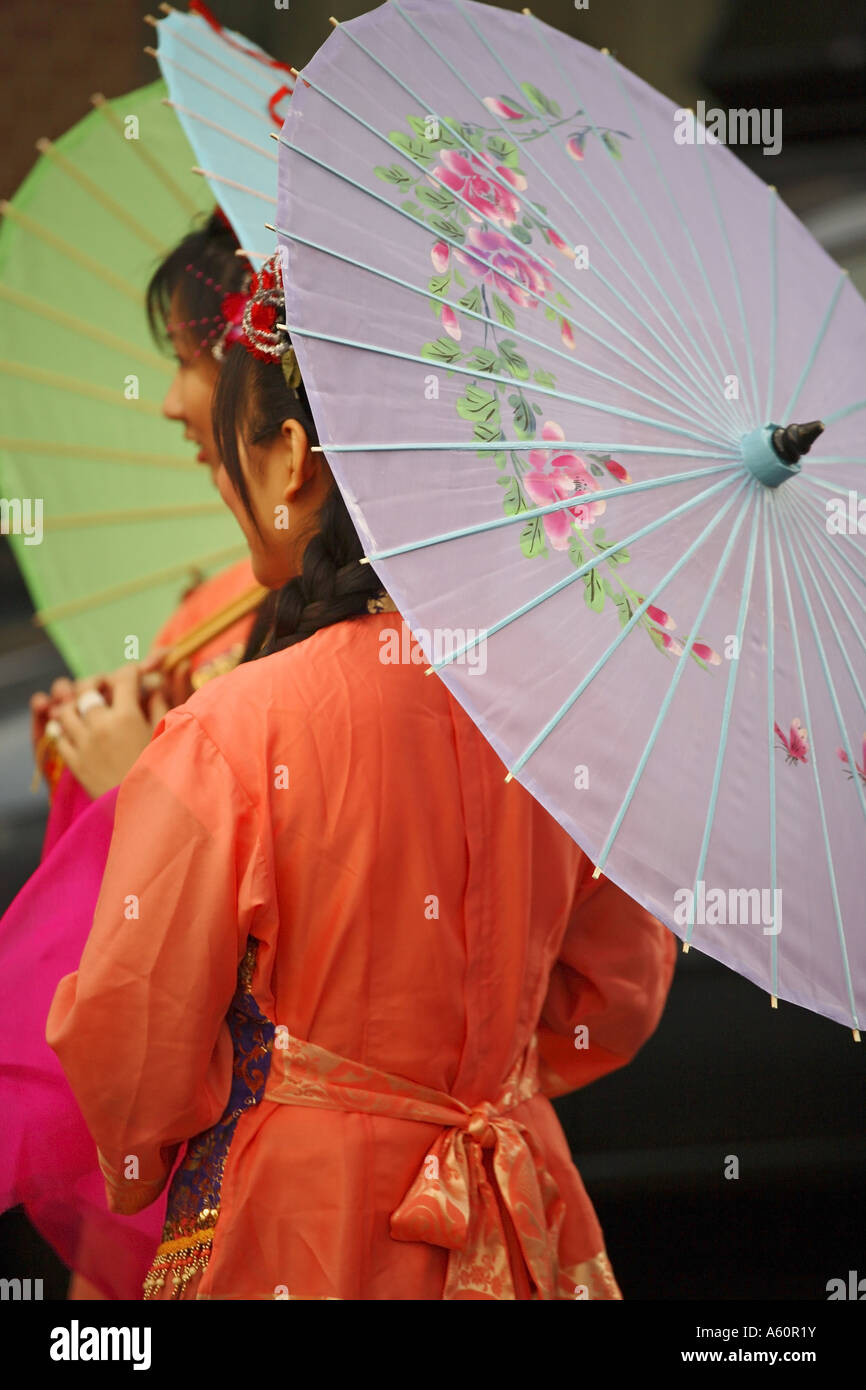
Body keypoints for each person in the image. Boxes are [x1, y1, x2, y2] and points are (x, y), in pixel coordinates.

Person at [47, 254, 677, 1300]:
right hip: (519, 1204)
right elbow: (613, 997)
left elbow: (130, 1053)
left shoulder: (231, 729)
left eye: (221, 453)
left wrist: (285, 1088)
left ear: (289, 456)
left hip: (305, 1221)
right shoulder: (567, 713)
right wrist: (470, 1078)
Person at [1, 209, 265, 1301]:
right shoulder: (215, 608)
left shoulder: (326, 664)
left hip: (265, 1166)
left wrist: (131, 792)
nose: (167, 400)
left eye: (191, 361)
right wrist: (97, 763)